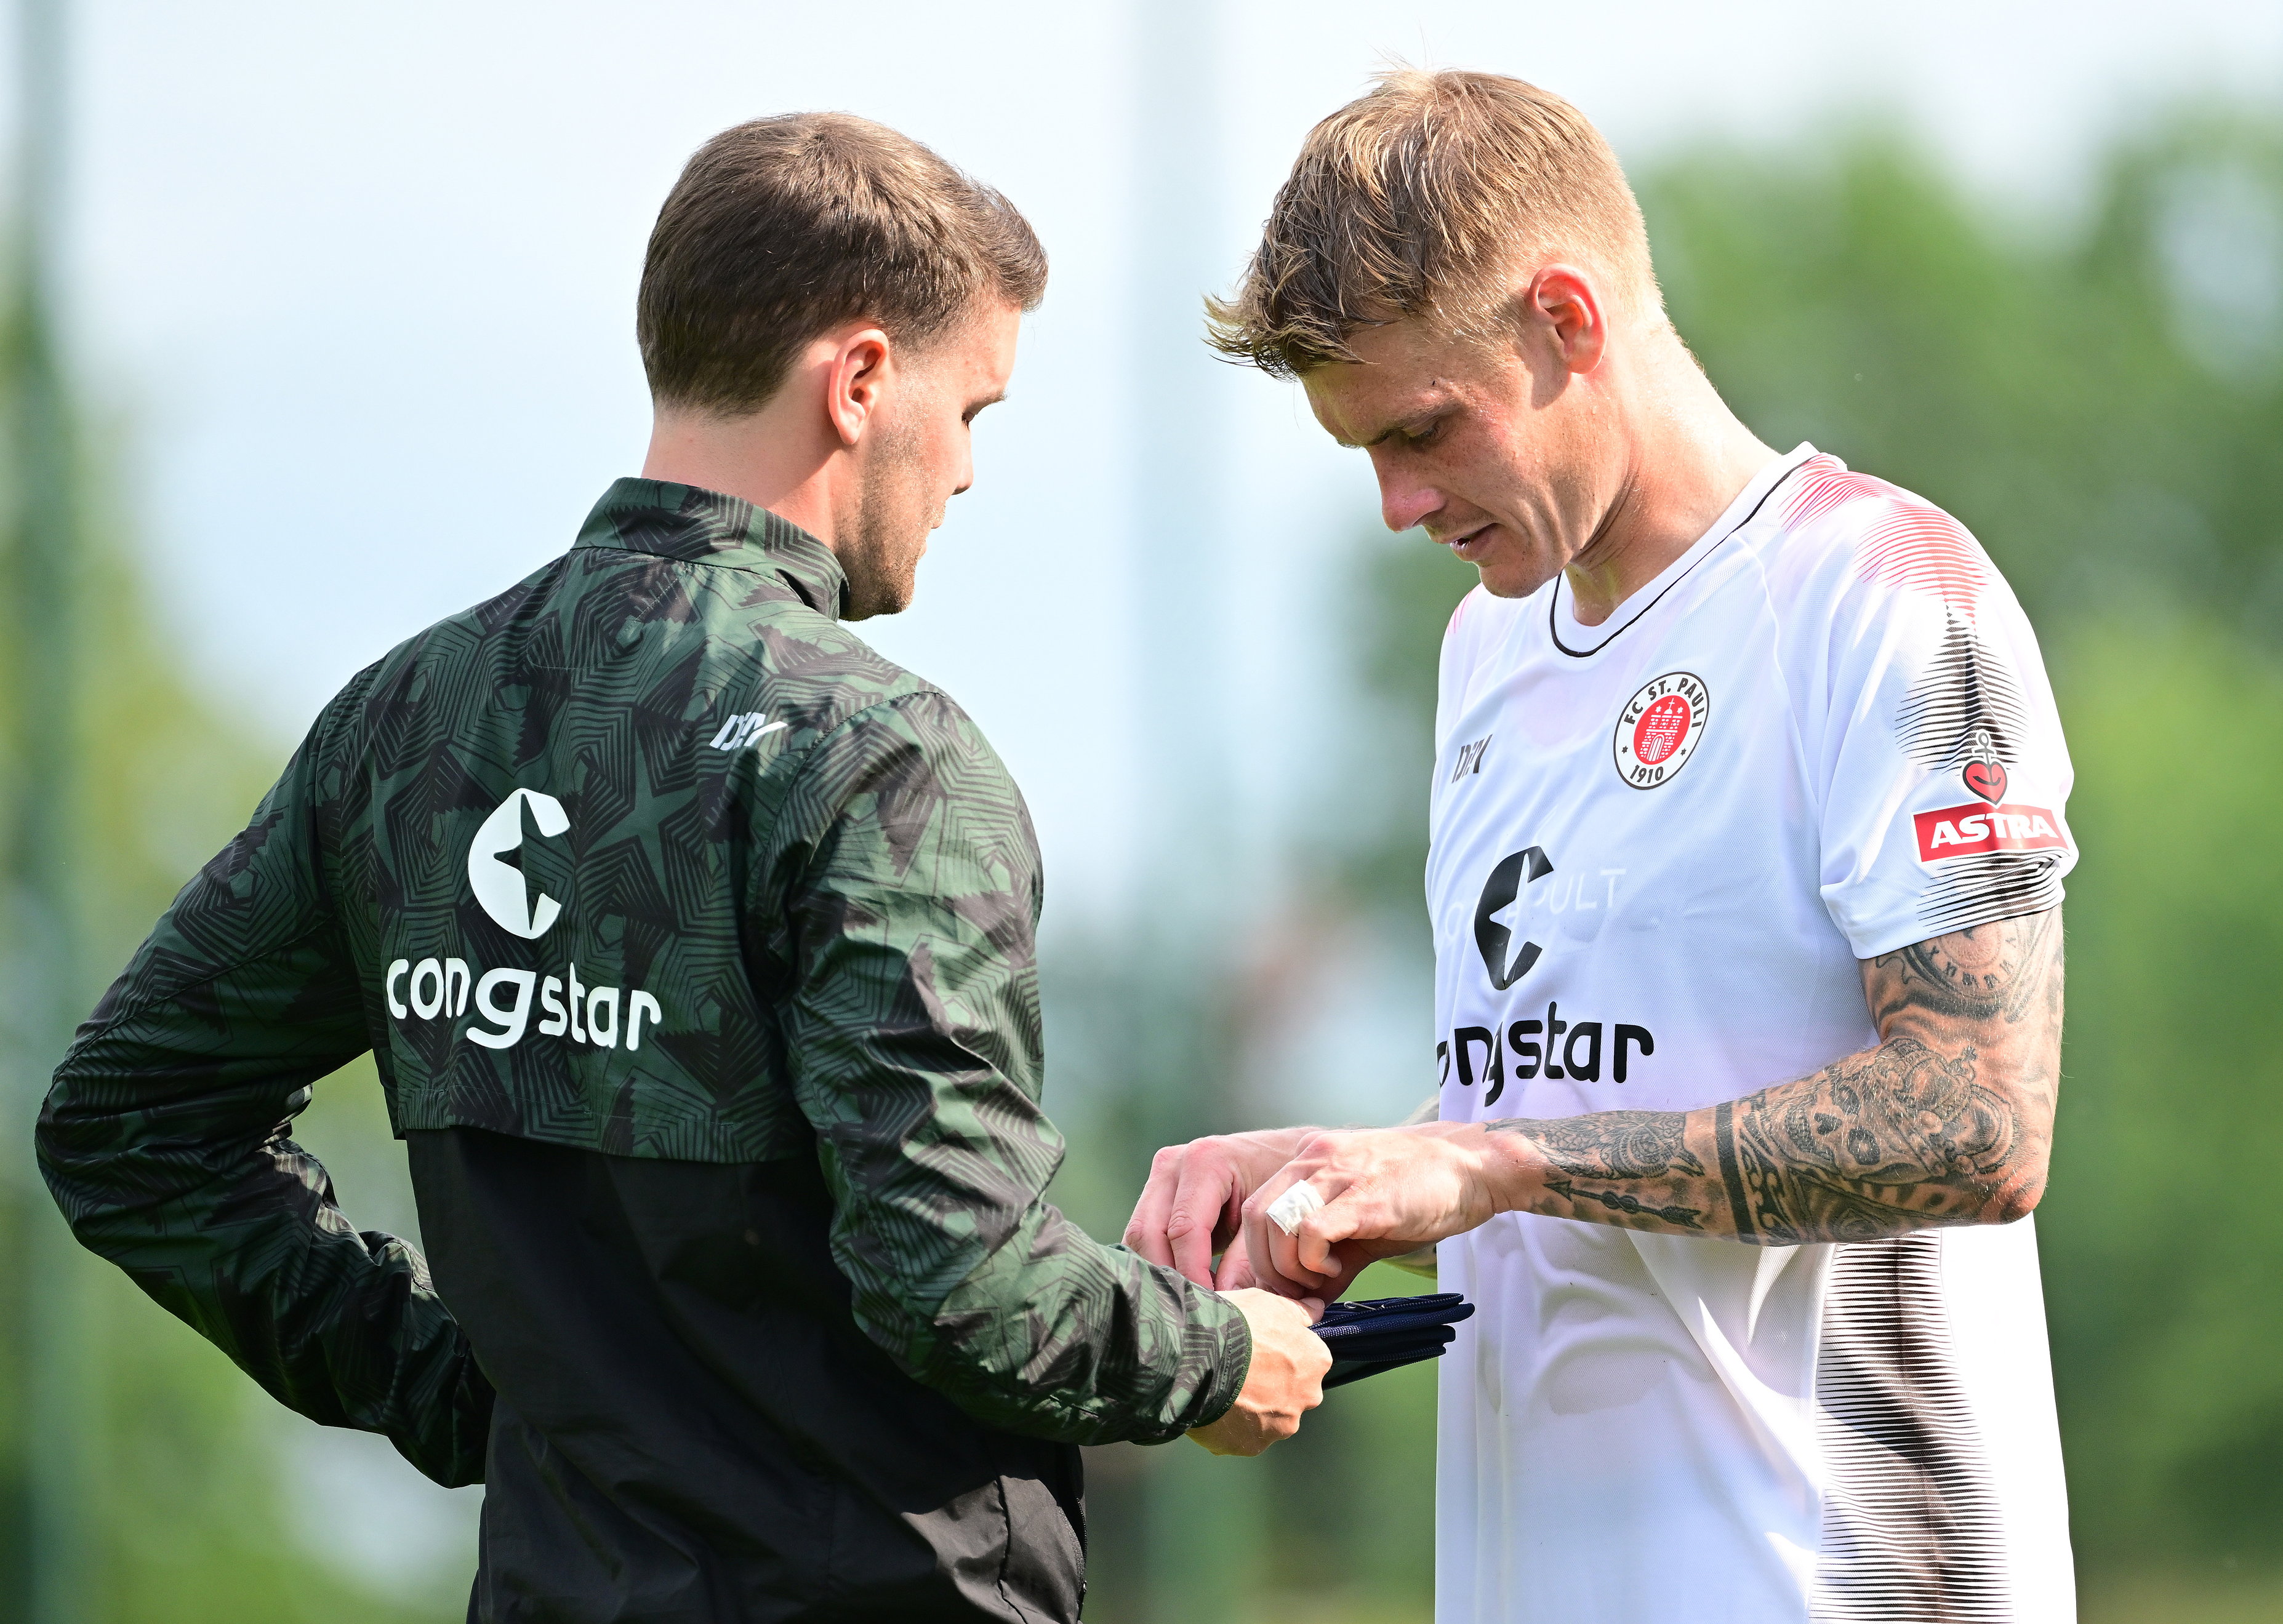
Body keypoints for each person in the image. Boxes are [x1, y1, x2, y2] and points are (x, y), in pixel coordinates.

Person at [38, 113, 1327, 1624]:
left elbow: (125, 1129)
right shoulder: (881, 760)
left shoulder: (405, 720)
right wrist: (1218, 1350)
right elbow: (957, 1281)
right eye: (972, 409)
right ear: (857, 383)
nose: (970, 471)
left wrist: (481, 1401)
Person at [1126, 70, 2075, 1623]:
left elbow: (1979, 1121)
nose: (1396, 501)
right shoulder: (1486, 655)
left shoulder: (1884, 594)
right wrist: (1341, 1172)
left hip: (1829, 1584)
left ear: (1567, 320)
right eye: (1362, 448)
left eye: (1424, 428)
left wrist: (1488, 1165)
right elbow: (1579, 1084)